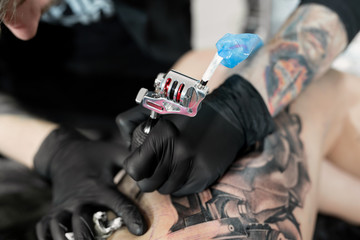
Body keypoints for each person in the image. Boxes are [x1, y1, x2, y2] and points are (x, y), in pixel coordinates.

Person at [0, 0, 360, 239]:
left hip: (186, 72)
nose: (26, 31)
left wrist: (244, 105)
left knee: (313, 96)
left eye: (25, 2)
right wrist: (51, 147)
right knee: (316, 99)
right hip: (65, 111)